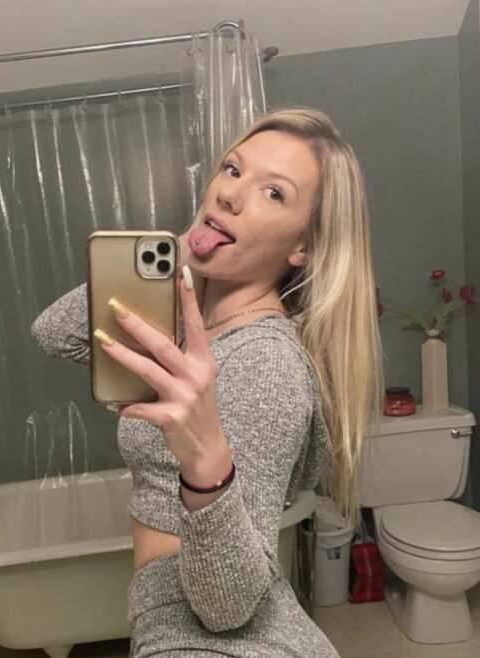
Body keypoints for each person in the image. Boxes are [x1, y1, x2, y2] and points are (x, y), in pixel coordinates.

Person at [31, 106, 383, 658]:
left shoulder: (264, 361)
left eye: (274, 193)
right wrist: (180, 252)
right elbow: (57, 334)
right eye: (233, 169)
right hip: (169, 612)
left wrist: (206, 464)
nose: (230, 194)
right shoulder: (192, 335)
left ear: (303, 247)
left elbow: (227, 608)